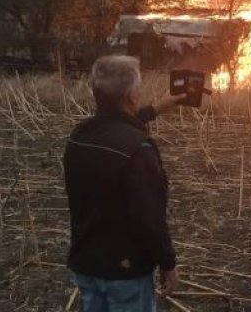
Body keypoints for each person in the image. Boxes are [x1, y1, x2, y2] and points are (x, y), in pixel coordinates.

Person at [64, 55, 183, 311]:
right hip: (125, 271)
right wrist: (167, 262)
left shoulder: (80, 136)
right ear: (131, 95)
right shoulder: (137, 149)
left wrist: (155, 109)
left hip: (87, 263)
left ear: (96, 91)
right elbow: (150, 218)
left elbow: (113, 126)